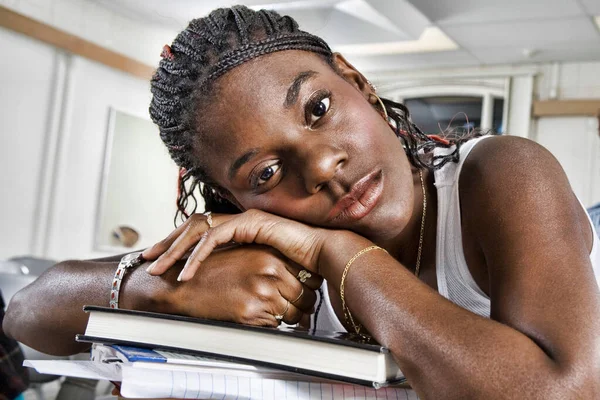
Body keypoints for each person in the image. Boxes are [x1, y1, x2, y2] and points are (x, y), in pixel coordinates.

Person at [4, 5, 600, 399]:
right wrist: (163, 289)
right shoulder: (258, 256)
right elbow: (27, 313)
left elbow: (563, 391)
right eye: (265, 171)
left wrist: (337, 253)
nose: (321, 167)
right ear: (230, 198)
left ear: (356, 81)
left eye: (318, 109)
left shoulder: (502, 174)